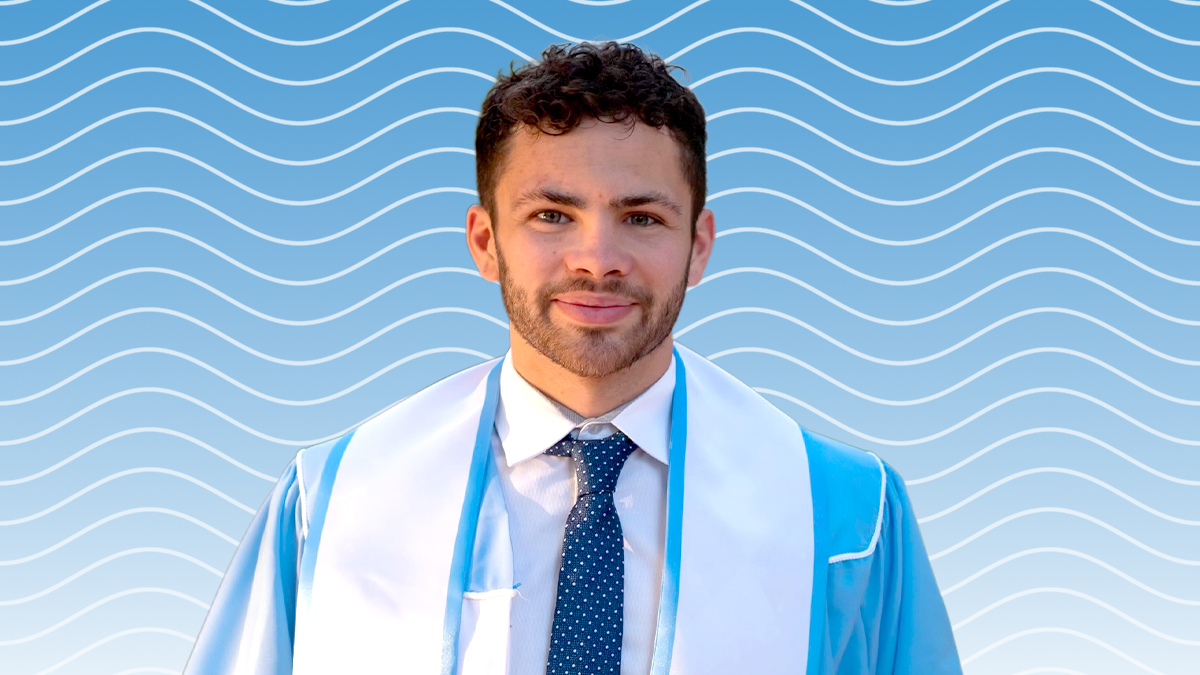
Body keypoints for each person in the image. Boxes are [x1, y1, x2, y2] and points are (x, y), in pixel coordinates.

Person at [184, 41, 962, 675]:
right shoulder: (331, 505)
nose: (598, 258)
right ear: (485, 241)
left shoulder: (850, 519)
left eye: (643, 217)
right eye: (552, 214)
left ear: (699, 246)